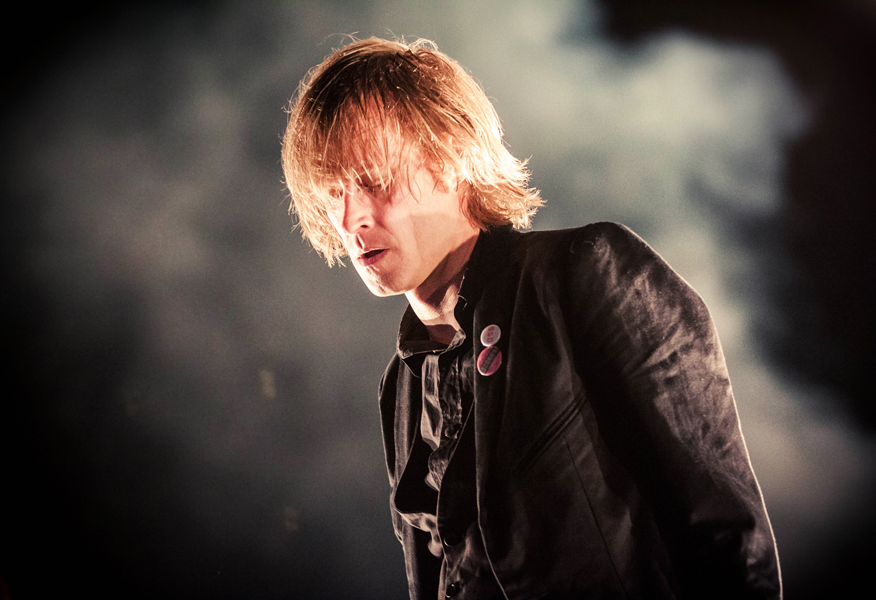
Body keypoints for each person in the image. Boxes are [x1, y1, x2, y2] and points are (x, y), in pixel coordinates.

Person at [282, 36, 781, 600]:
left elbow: (726, 534)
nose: (350, 218)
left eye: (373, 181)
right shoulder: (400, 387)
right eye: (332, 193)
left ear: (451, 154)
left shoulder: (583, 273)